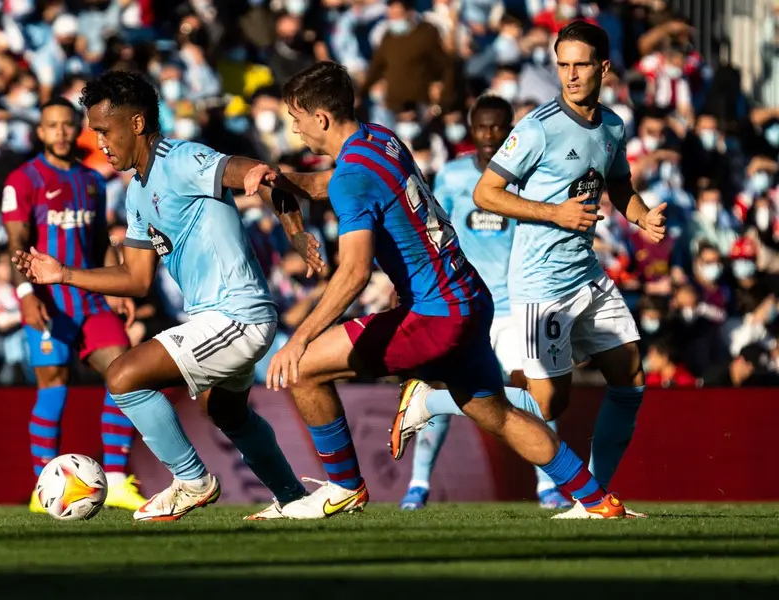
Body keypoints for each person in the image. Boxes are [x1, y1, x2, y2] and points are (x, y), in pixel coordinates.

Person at [250, 60, 627, 520]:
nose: (294, 127)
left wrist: (302, 337)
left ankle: (346, 486)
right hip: (470, 298)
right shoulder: (379, 140)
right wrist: (281, 180)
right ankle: (596, 500)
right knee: (499, 415)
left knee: (304, 368)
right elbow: (333, 185)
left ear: (321, 118)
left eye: (296, 117)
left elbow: (353, 273)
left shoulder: (353, 175)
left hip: (435, 315)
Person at [13, 71, 323, 521]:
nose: (98, 142)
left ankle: (192, 480)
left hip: (236, 316)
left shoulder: (179, 158)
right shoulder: (137, 191)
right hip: (217, 318)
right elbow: (136, 279)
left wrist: (290, 226)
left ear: (136, 124)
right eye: (93, 132)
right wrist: (63, 273)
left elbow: (246, 170)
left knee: (122, 376)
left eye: (104, 130)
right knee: (228, 412)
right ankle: (295, 500)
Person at [453, 22, 664, 519]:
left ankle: (594, 499)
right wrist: (554, 213)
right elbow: (487, 193)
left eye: (580, 65)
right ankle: (434, 402)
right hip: (540, 281)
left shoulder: (613, 126)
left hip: (585, 274)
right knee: (549, 403)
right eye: (562, 65)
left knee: (630, 377)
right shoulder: (538, 128)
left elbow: (619, 187)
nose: (570, 75)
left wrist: (641, 215)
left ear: (603, 68)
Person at [398, 95, 572, 511]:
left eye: (499, 127)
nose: (491, 136)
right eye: (483, 127)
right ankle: (418, 485)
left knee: (535, 388)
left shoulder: (527, 178)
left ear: (511, 130)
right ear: (471, 130)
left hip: (514, 306)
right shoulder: (454, 176)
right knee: (445, 384)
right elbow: (433, 233)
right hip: (468, 304)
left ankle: (547, 484)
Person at [2, 98, 148, 513]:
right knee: (54, 388)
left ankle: (116, 480)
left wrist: (117, 287)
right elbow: (15, 244)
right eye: (53, 126)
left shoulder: (92, 180)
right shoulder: (23, 179)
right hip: (49, 302)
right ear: (41, 132)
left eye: (69, 125)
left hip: (89, 297)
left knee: (125, 375)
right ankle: (41, 488)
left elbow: (100, 241)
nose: (62, 132)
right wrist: (27, 296)